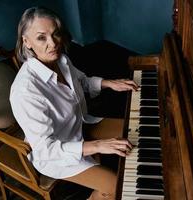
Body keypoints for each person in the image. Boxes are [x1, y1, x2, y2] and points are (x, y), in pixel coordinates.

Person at [10, 6, 138, 200]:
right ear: (26, 42)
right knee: (116, 188)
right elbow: (47, 150)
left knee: (138, 129)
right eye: (41, 37)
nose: (53, 44)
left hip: (80, 124)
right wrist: (97, 146)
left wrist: (108, 83)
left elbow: (81, 81)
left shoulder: (61, 60)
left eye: (55, 34)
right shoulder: (25, 91)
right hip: (56, 152)